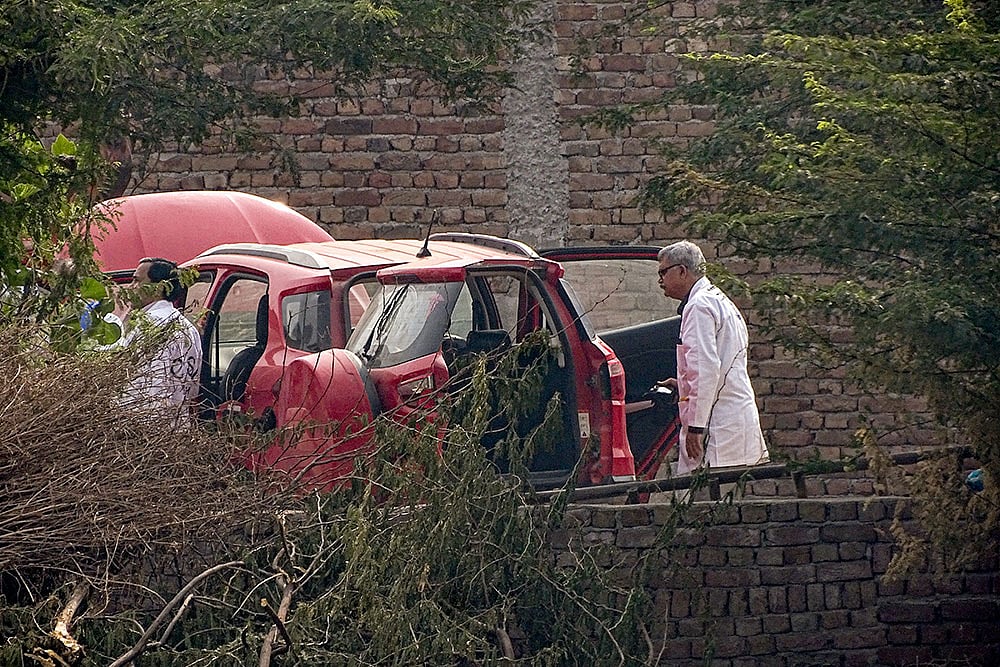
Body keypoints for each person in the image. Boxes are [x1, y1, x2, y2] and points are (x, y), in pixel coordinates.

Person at [657, 241, 769, 474]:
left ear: (682, 271)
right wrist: (683, 385)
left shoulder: (698, 306)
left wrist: (695, 427)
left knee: (708, 491)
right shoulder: (717, 299)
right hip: (732, 413)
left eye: (663, 273)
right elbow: (721, 364)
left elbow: (705, 369)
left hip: (718, 422)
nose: (660, 281)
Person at [109, 257, 202, 426]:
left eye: (137, 281)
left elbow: (138, 388)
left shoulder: (145, 326)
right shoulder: (189, 329)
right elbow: (192, 388)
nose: (131, 287)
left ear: (159, 287)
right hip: (177, 426)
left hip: (143, 426)